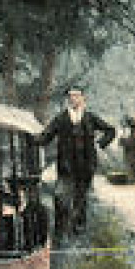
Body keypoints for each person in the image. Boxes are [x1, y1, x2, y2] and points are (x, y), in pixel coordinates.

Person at [38, 86, 117, 238]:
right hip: (66, 167)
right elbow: (45, 136)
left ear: (82, 98)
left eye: (77, 96)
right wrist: (33, 140)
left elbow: (110, 130)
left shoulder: (90, 117)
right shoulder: (61, 119)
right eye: (71, 96)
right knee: (61, 197)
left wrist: (100, 144)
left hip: (86, 166)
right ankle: (60, 232)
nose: (73, 99)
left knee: (81, 199)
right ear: (68, 99)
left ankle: (79, 231)